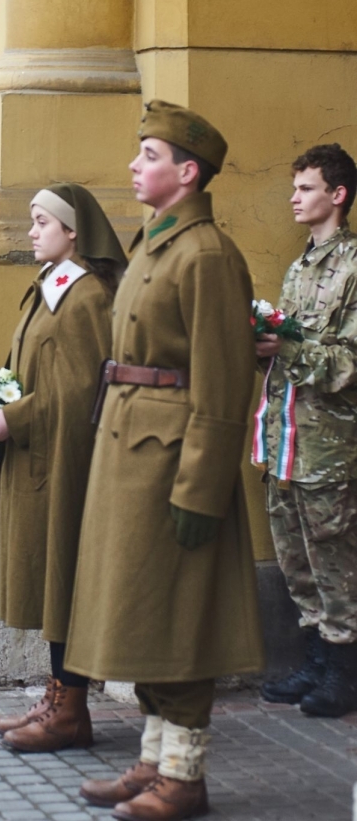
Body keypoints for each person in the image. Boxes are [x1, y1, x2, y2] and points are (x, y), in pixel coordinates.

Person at [67, 100, 262, 821]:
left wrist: (201, 488)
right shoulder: (156, 242)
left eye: (148, 154)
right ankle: (152, 760)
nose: (133, 164)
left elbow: (222, 381)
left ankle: (184, 775)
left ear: (187, 172)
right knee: (142, 618)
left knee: (179, 622)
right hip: (130, 453)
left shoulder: (207, 253)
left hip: (174, 463)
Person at [0, 183, 126, 752]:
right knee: (51, 580)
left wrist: (16, 417)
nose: (31, 231)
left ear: (73, 231)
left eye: (41, 222)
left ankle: (70, 709)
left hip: (63, 462)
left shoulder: (84, 296)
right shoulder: (52, 286)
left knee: (63, 577)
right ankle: (60, 697)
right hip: (40, 455)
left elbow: (82, 387)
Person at [256, 143, 357, 718]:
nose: (294, 198)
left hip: (328, 443)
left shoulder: (353, 267)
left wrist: (287, 347)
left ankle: (343, 671)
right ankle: (314, 659)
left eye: (306, 188)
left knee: (332, 557)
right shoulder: (300, 266)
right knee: (294, 554)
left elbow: (348, 362)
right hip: (287, 436)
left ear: (337, 195)